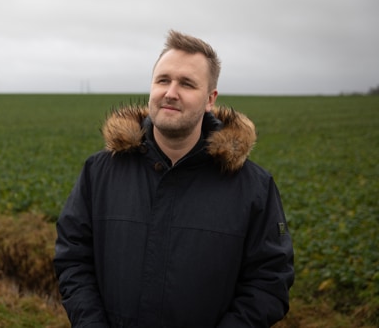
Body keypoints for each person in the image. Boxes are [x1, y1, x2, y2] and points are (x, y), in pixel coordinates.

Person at [53, 30, 295, 327]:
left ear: (210, 99)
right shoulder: (100, 172)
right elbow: (72, 258)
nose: (170, 92)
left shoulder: (252, 186)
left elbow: (269, 281)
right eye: (163, 80)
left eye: (187, 83)